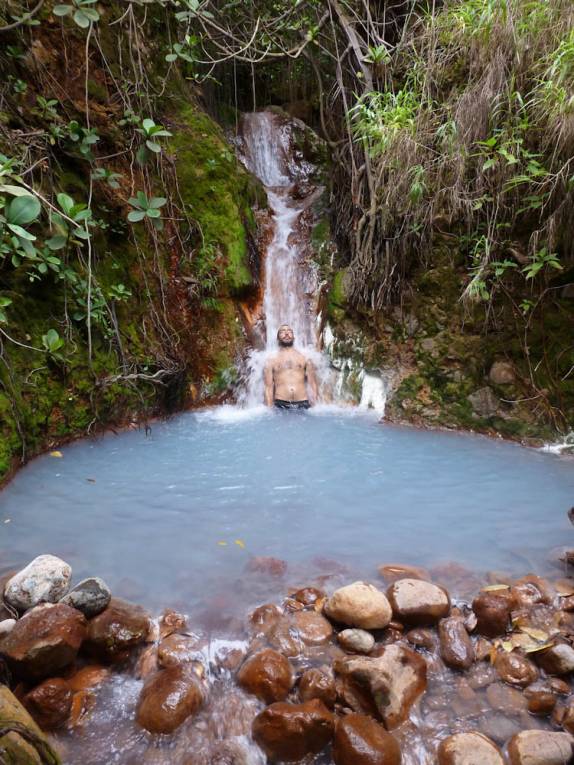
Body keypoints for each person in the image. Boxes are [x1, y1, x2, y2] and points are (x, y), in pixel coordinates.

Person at [264, 325, 318, 410]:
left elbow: (312, 383)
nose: (286, 333)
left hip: (303, 403)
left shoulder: (305, 357)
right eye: (282, 332)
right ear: (277, 338)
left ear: (294, 337)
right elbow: (268, 387)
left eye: (289, 331)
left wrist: (314, 407)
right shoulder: (271, 360)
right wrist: (269, 410)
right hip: (280, 404)